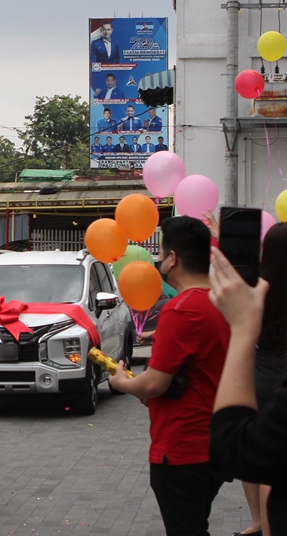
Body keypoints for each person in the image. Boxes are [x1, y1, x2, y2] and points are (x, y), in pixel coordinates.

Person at [109, 216, 231, 535]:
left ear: (173, 258)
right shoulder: (223, 302)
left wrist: (122, 382)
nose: (158, 261)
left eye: (160, 254)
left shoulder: (181, 309)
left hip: (182, 448)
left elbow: (154, 384)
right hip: (215, 442)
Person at [208, 246, 287, 536]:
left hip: (263, 372)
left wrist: (242, 328)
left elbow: (231, 448)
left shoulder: (260, 293)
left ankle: (260, 523)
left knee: (265, 457)